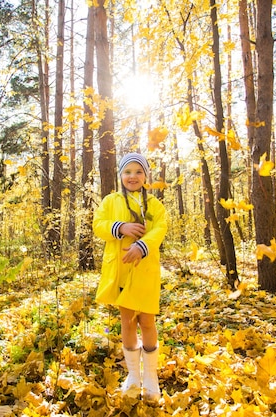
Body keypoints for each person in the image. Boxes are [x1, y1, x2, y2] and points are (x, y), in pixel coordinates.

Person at [93, 152, 168, 401]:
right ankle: (134, 375)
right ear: (120, 175)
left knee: (147, 321)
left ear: (145, 176)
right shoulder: (110, 201)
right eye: (127, 172)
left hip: (145, 270)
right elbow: (99, 224)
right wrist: (120, 227)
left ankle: (151, 377)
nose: (132, 176)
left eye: (138, 172)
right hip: (121, 270)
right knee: (127, 321)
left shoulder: (154, 205)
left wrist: (142, 245)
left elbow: (160, 229)